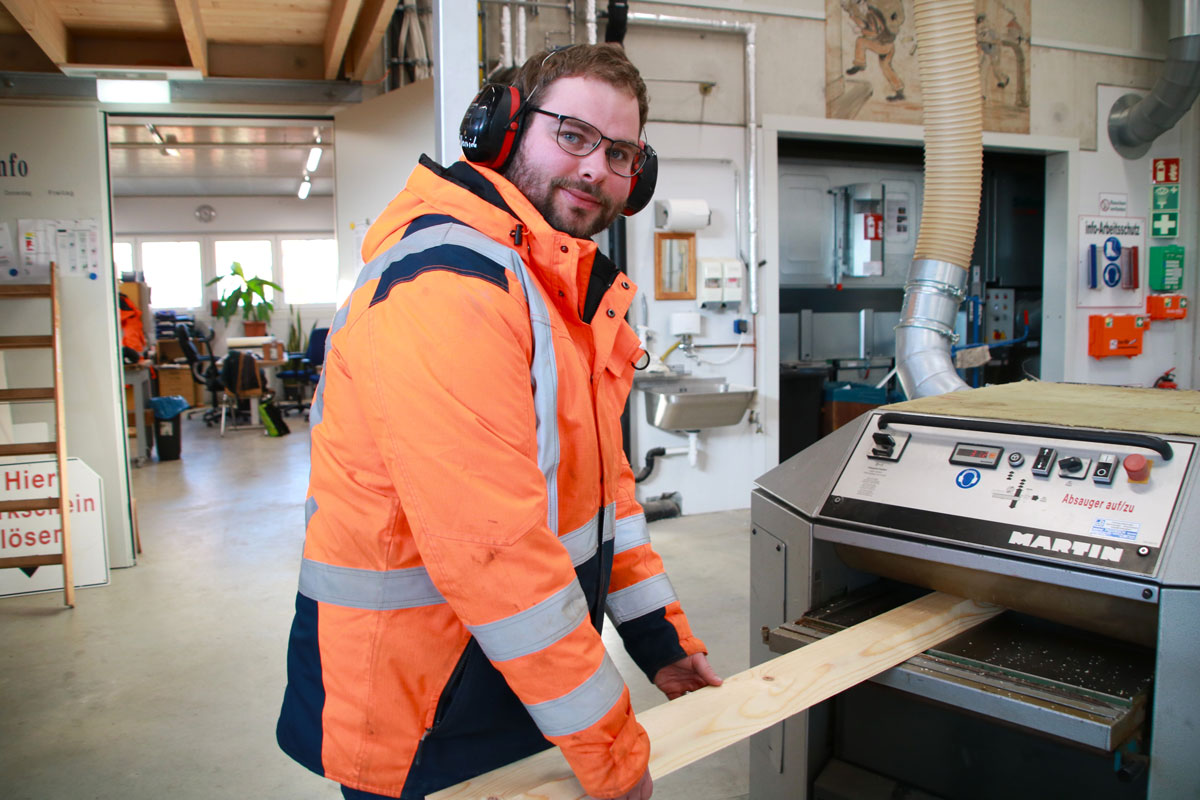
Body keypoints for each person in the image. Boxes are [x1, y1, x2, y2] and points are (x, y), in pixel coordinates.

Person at [276, 43, 721, 800]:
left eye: (619, 152)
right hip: (423, 711)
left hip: (509, 688)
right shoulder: (451, 283)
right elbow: (495, 552)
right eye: (573, 136)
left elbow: (605, 499)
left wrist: (661, 644)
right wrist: (611, 750)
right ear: (502, 129)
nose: (594, 169)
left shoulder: (555, 295)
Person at [843, 0, 906, 102]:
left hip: (884, 45)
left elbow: (874, 33)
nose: (859, 8)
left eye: (860, 4)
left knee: (861, 41)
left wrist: (861, 31)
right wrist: (853, 17)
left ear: (864, 3)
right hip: (889, 45)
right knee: (886, 68)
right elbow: (864, 25)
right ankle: (899, 91)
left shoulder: (871, 14)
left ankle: (860, 64)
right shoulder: (869, 13)